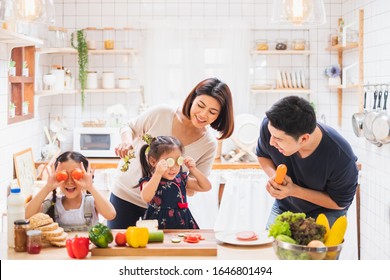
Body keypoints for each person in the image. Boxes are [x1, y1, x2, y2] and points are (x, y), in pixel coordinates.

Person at [109, 77, 234, 229]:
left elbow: (194, 186)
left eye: (212, 112)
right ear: (192, 99)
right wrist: (127, 142)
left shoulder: (208, 144)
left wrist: (179, 179)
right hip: (125, 197)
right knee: (120, 249)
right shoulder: (162, 113)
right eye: (200, 105)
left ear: (219, 115)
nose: (203, 114)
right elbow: (128, 127)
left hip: (164, 212)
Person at [256, 96, 359, 227]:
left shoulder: (341, 157)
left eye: (278, 139)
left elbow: (339, 203)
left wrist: (294, 191)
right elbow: (263, 155)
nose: (271, 142)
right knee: (271, 245)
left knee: (316, 247)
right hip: (286, 207)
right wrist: (275, 177)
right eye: (271, 135)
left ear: (304, 139)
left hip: (326, 213)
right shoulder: (271, 127)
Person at [26, 151, 116, 231]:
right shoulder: (52, 204)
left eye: (75, 175)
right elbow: (26, 215)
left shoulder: (91, 202)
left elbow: (111, 214)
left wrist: (90, 187)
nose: (69, 182)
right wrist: (47, 187)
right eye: (63, 175)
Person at [138, 135, 211, 229]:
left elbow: (206, 187)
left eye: (178, 161)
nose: (174, 167)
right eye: (169, 162)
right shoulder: (149, 181)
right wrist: (158, 173)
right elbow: (146, 197)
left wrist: (193, 169)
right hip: (157, 225)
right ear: (153, 161)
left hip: (183, 223)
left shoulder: (181, 179)